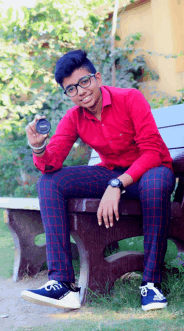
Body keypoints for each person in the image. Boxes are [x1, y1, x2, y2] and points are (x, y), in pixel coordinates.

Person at [22, 49, 175, 311]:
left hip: (150, 170)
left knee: (156, 183)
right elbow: (52, 163)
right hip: (111, 172)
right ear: (67, 94)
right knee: (49, 183)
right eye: (71, 89)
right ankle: (62, 284)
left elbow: (153, 152)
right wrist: (38, 148)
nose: (80, 91)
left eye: (84, 81)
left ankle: (151, 284)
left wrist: (117, 185)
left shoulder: (130, 99)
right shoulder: (74, 117)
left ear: (97, 78)